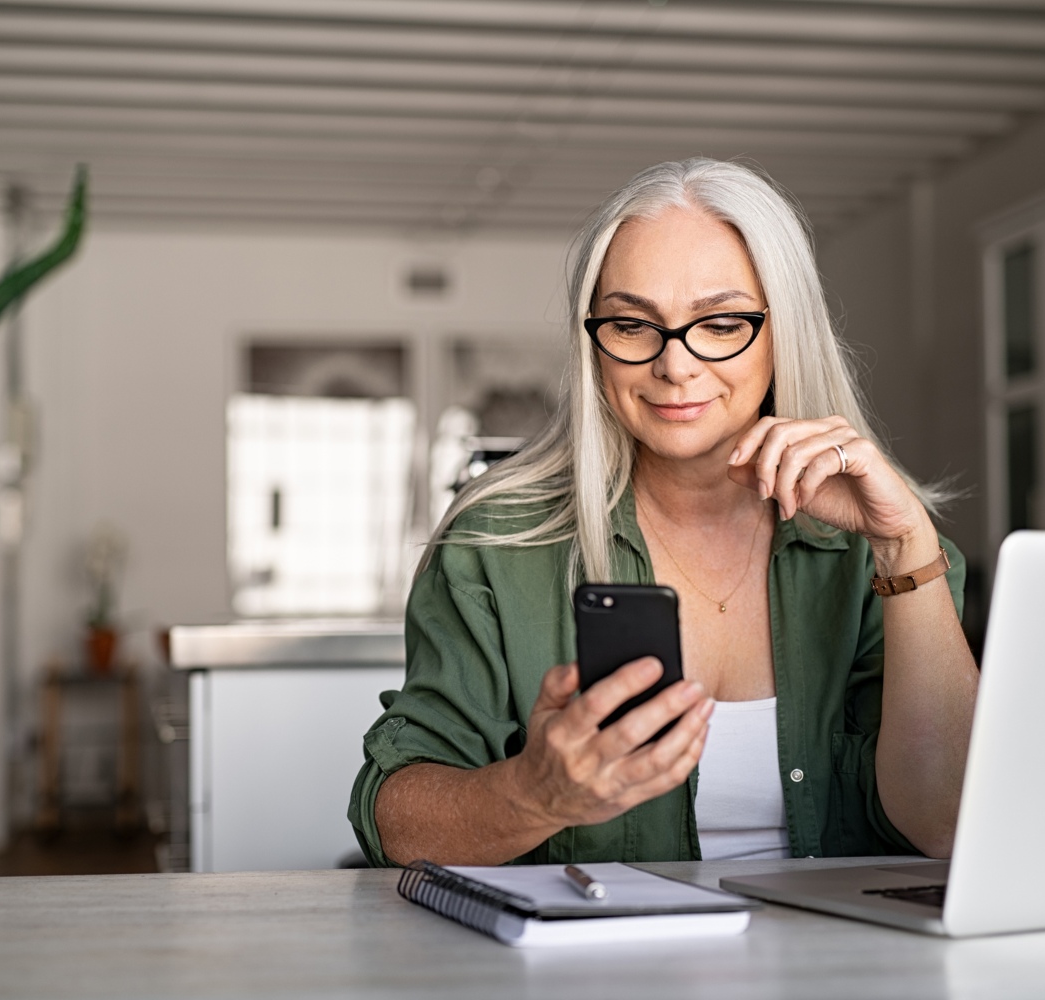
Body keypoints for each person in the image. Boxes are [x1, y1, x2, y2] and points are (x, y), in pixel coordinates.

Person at [348, 158, 979, 867]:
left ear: (783, 331)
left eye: (720, 323)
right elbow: (395, 821)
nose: (674, 366)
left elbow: (949, 824)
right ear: (594, 344)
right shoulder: (495, 543)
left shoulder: (888, 552)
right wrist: (534, 794)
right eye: (631, 324)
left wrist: (905, 549)